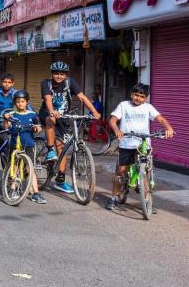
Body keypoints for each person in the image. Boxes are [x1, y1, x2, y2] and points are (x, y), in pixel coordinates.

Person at [105, 83, 174, 211]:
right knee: (121, 171)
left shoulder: (148, 107)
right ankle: (114, 197)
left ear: (146, 98)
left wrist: (168, 128)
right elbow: (113, 120)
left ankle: (147, 201)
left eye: (142, 96)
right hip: (126, 144)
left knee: (145, 173)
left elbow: (161, 119)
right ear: (131, 94)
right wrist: (116, 129)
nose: (138, 98)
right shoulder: (123, 105)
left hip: (143, 145)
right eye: (136, 95)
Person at [40, 61, 100, 194]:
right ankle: (50, 150)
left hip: (64, 116)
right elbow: (48, 99)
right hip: (47, 113)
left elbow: (82, 97)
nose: (59, 76)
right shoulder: (46, 83)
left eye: (62, 74)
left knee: (62, 148)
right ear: (52, 74)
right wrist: (51, 111)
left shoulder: (70, 83)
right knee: (51, 120)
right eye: (56, 73)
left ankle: (60, 180)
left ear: (65, 75)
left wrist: (94, 111)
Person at [2, 90, 46, 204]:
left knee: (29, 168)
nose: (20, 104)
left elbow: (39, 127)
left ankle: (36, 193)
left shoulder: (33, 115)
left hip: (29, 145)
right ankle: (12, 189)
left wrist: (37, 128)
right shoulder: (12, 114)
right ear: (14, 103)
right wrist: (6, 119)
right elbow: (6, 127)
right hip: (15, 145)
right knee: (15, 167)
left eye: (22, 101)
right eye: (17, 102)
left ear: (27, 102)